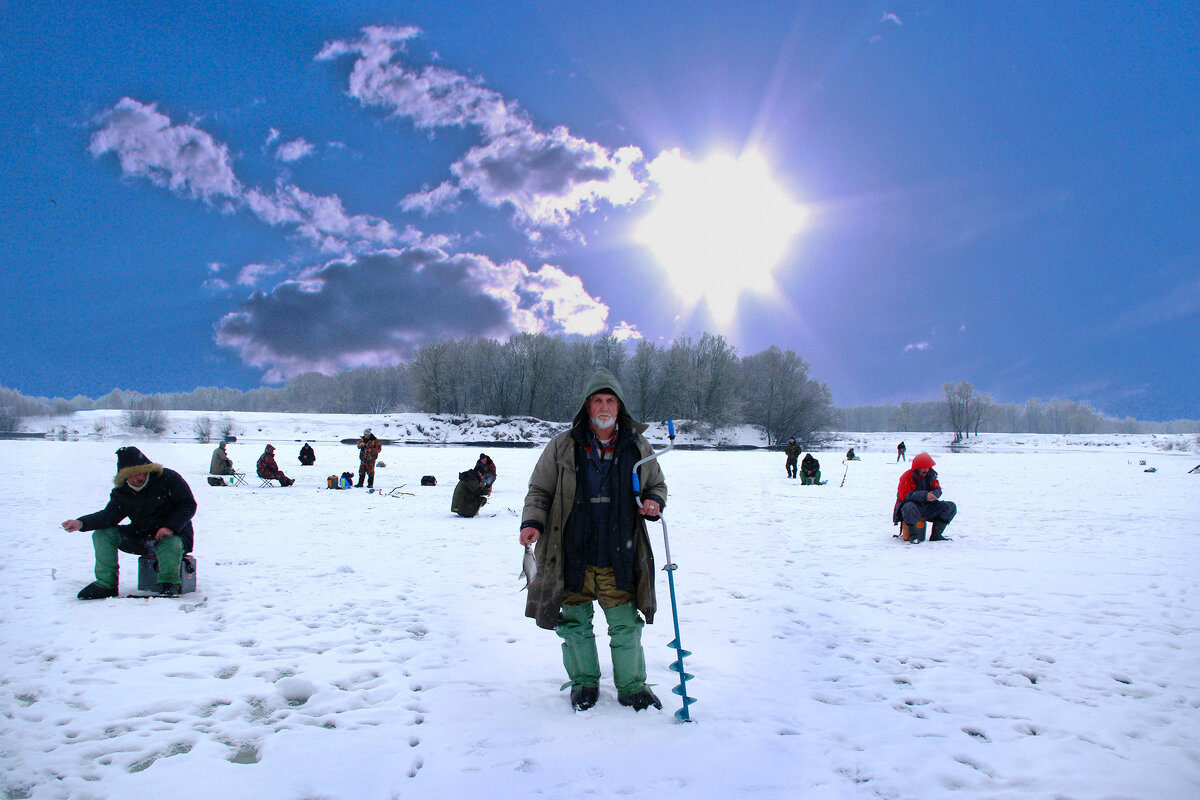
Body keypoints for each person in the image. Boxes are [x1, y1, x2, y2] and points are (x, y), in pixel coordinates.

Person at [519, 368, 667, 713]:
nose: (604, 406)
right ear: (587, 406)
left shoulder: (638, 446)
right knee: (573, 623)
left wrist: (653, 501)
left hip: (620, 554)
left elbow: (657, 485)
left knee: (626, 624)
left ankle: (632, 687)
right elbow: (539, 490)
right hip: (571, 553)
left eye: (610, 400)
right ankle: (584, 683)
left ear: (619, 406)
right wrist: (532, 522)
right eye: (597, 400)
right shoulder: (561, 446)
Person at [62, 446, 197, 599]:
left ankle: (169, 585)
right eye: (128, 475)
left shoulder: (169, 478)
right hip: (142, 537)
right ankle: (106, 585)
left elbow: (188, 504)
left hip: (175, 536)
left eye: (137, 472)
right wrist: (81, 523)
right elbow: (109, 516)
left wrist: (170, 527)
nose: (134, 479)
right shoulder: (122, 492)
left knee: (170, 542)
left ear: (147, 469)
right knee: (103, 535)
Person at [893, 452, 956, 542]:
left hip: (928, 507)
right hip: (912, 509)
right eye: (923, 467)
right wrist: (925, 496)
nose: (926, 470)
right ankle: (914, 536)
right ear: (917, 467)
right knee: (908, 507)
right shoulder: (906, 477)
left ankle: (936, 535)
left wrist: (934, 494)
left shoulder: (931, 475)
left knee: (950, 507)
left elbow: (937, 489)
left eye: (928, 467)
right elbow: (905, 496)